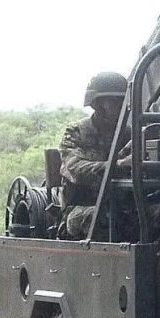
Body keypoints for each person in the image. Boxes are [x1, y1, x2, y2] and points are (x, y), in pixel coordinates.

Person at [59, 72, 130, 238]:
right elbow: (76, 170)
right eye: (112, 101)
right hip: (81, 208)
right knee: (104, 218)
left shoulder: (129, 134)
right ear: (97, 103)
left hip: (125, 206)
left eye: (121, 101)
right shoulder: (77, 132)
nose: (118, 106)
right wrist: (117, 165)